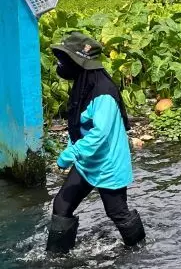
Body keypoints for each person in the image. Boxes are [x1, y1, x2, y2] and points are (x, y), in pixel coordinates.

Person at [47, 32, 145, 254]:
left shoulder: (103, 92)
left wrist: (69, 154)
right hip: (87, 161)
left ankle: (140, 251)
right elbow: (79, 126)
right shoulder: (84, 84)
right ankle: (56, 260)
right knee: (61, 206)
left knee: (118, 213)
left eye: (65, 60)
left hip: (108, 164)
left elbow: (99, 134)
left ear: (80, 63)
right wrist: (73, 151)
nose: (61, 65)